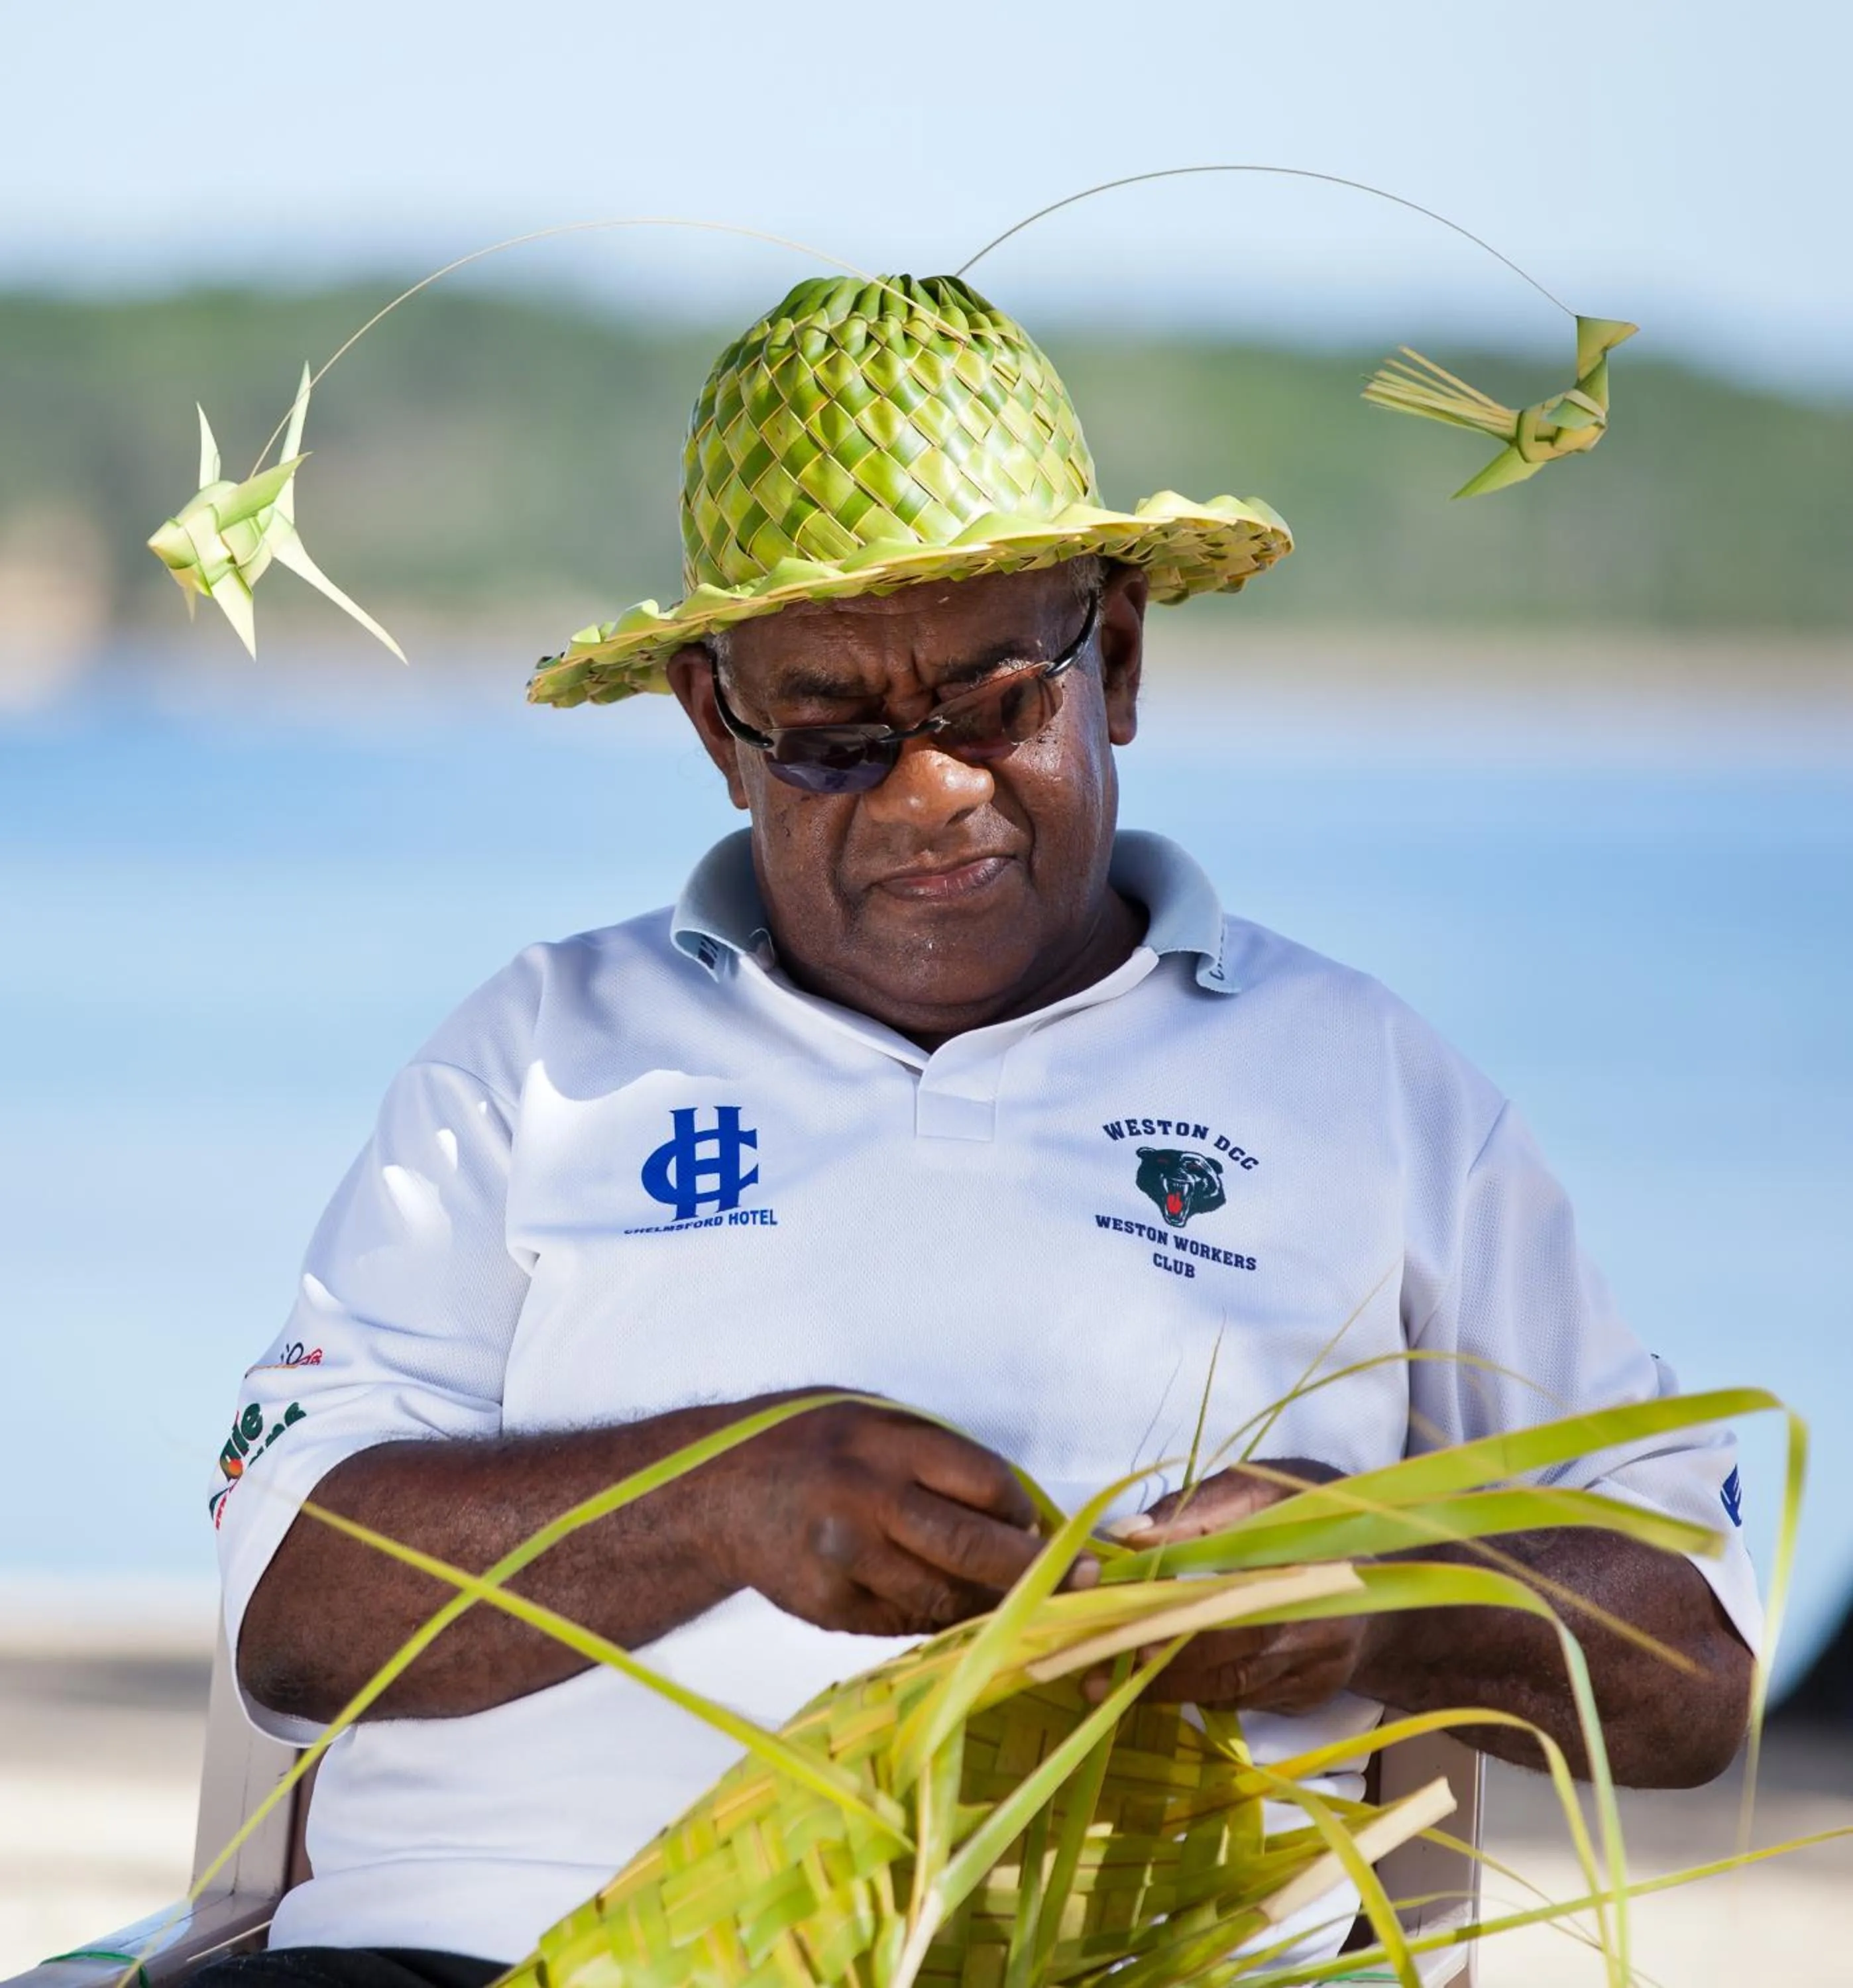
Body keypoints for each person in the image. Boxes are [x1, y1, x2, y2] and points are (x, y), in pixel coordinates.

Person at [201, 275, 1758, 1988]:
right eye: (832, 738)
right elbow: (291, 1610)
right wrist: (713, 1500)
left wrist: (1377, 1581)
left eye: (995, 702)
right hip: (477, 1957)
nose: (929, 795)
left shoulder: (1366, 1084)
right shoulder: (537, 1055)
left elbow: (1694, 1666)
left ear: (1122, 658)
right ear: (717, 729)